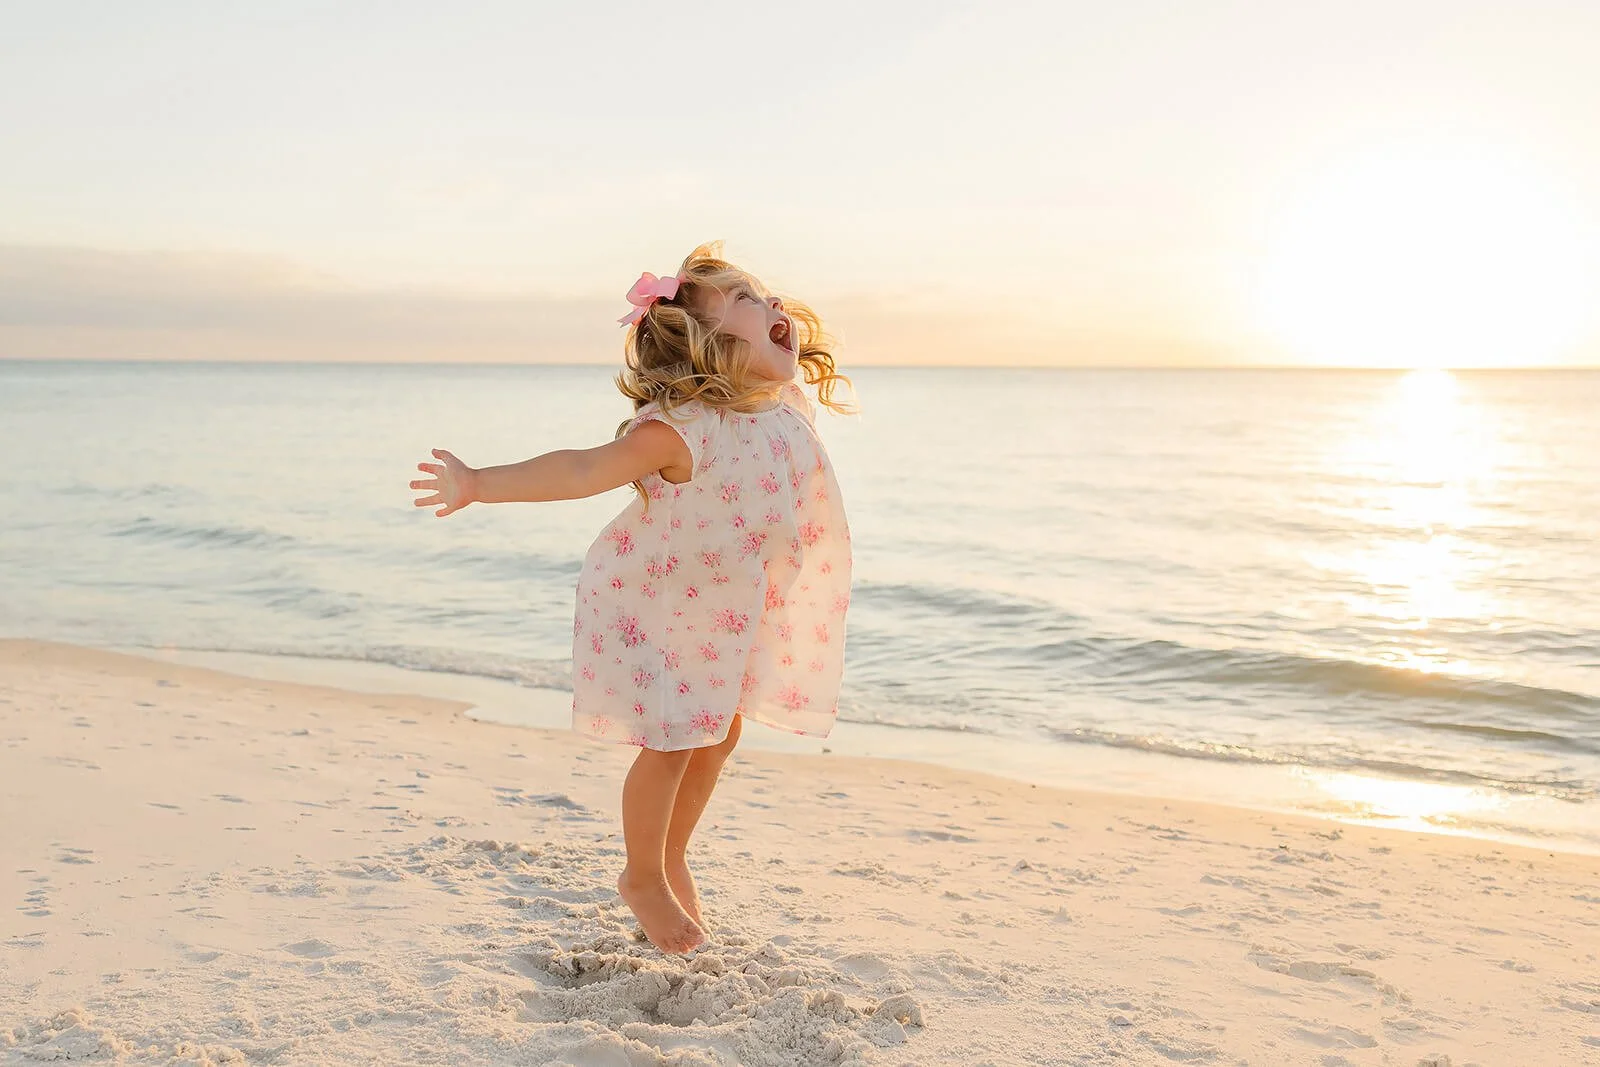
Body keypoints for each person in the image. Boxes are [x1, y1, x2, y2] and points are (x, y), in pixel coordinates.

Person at [408, 242, 856, 954]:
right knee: (674, 741)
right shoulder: (679, 431)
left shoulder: (784, 408)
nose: (773, 306)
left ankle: (674, 853)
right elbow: (584, 468)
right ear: (705, 347)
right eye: (746, 300)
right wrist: (478, 482)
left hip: (726, 613)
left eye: (768, 295)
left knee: (721, 730)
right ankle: (642, 874)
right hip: (660, 609)